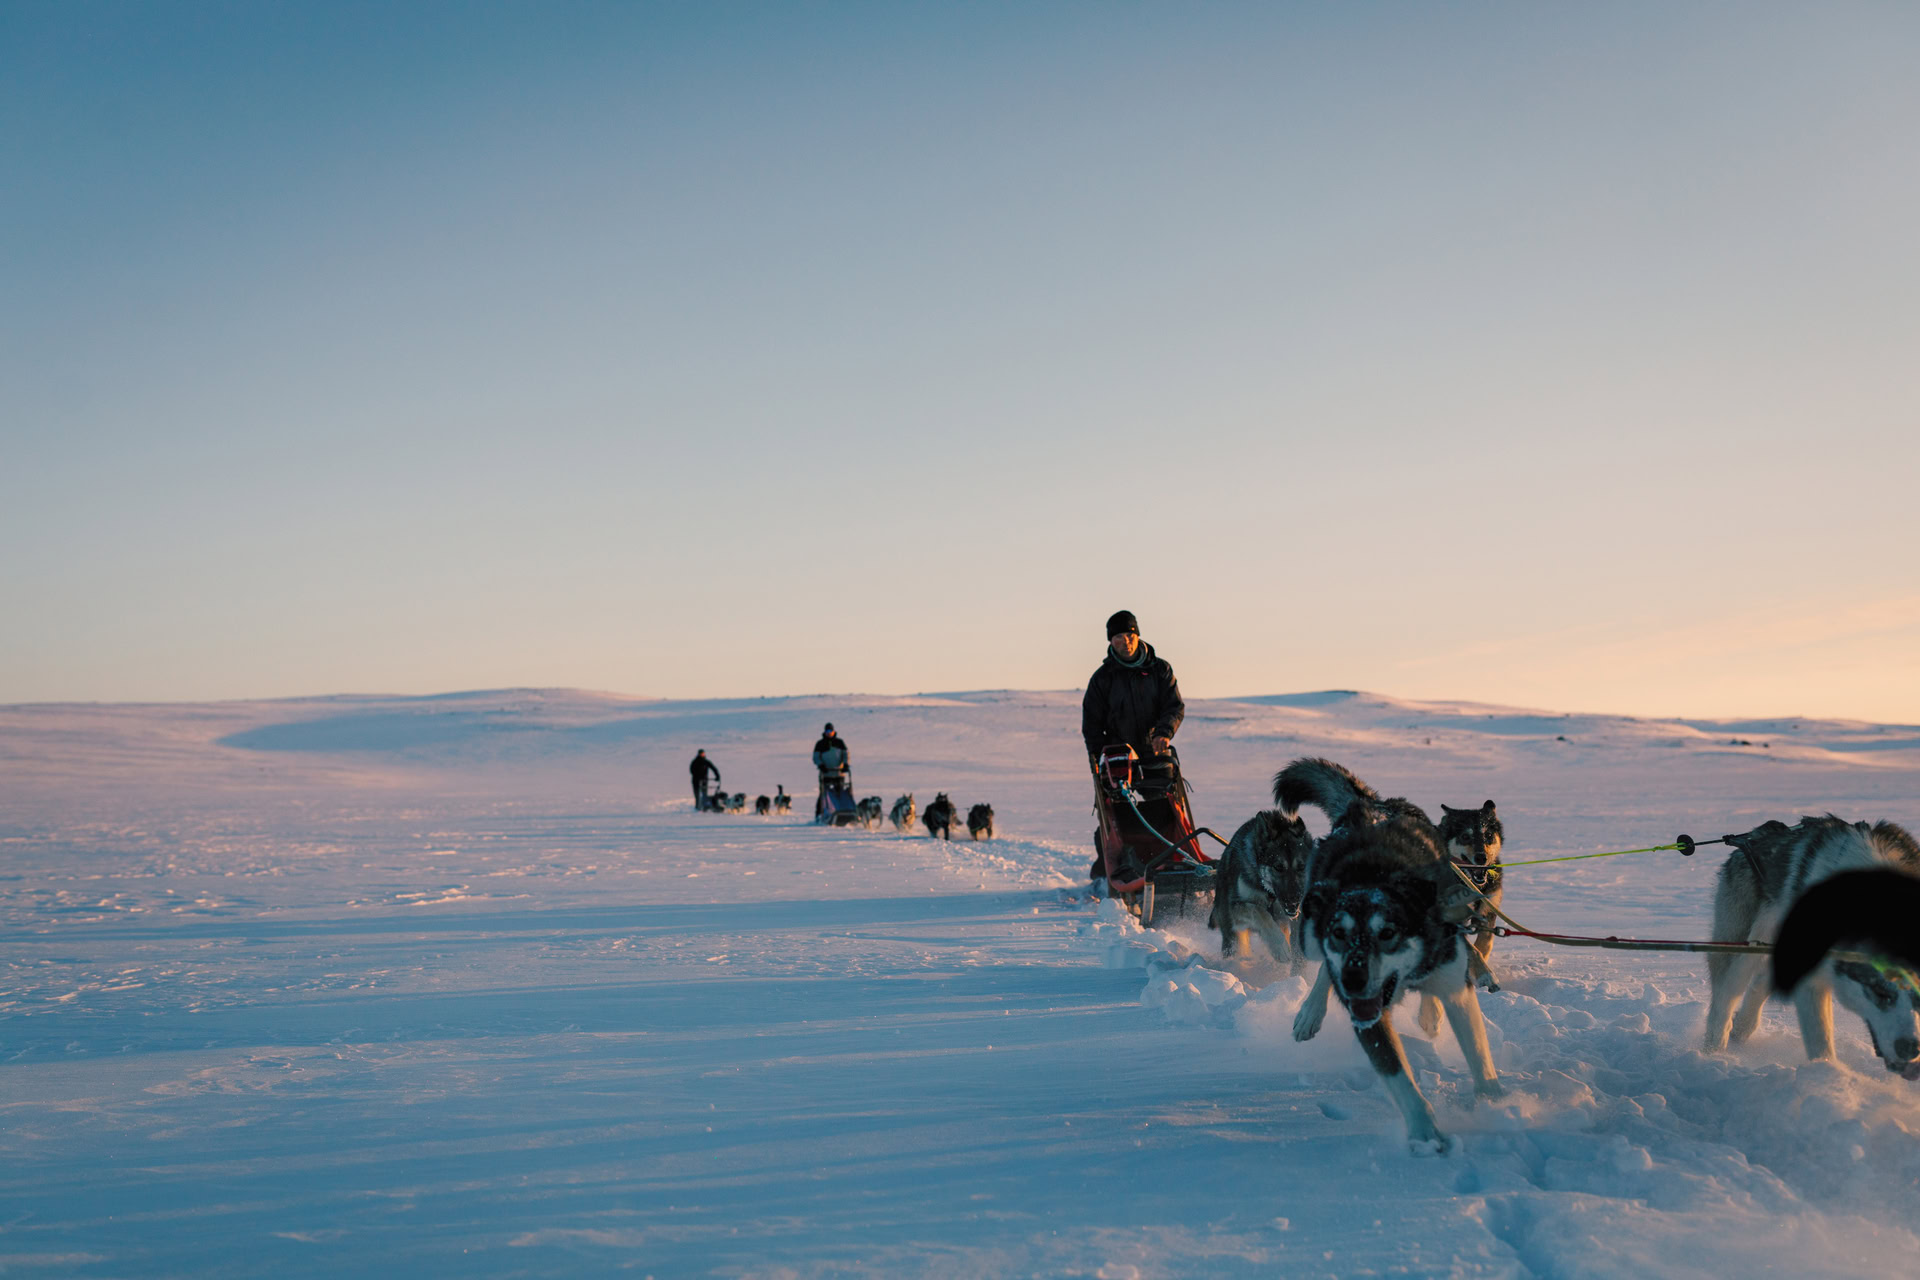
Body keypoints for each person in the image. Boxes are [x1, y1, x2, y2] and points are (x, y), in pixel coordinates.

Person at [1081, 610, 1186, 879]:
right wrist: (1100, 756)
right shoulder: (1103, 678)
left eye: (1129, 635)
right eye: (1118, 637)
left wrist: (1163, 732)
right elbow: (1092, 723)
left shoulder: (1159, 670)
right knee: (1117, 813)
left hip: (1155, 751)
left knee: (1165, 806)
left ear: (1138, 636)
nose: (1125, 642)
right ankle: (1118, 864)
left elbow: (1173, 706)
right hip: (1118, 758)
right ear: (1110, 641)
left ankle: (1168, 858)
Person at [811, 722, 849, 818]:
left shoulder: (840, 742)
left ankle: (842, 813)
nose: (829, 733)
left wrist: (845, 764)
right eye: (827, 731)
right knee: (823, 794)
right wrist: (821, 765)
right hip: (825, 774)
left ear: (834, 731)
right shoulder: (820, 744)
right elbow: (816, 757)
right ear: (824, 732)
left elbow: (845, 754)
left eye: (830, 731)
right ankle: (819, 814)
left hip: (838, 773)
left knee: (840, 793)